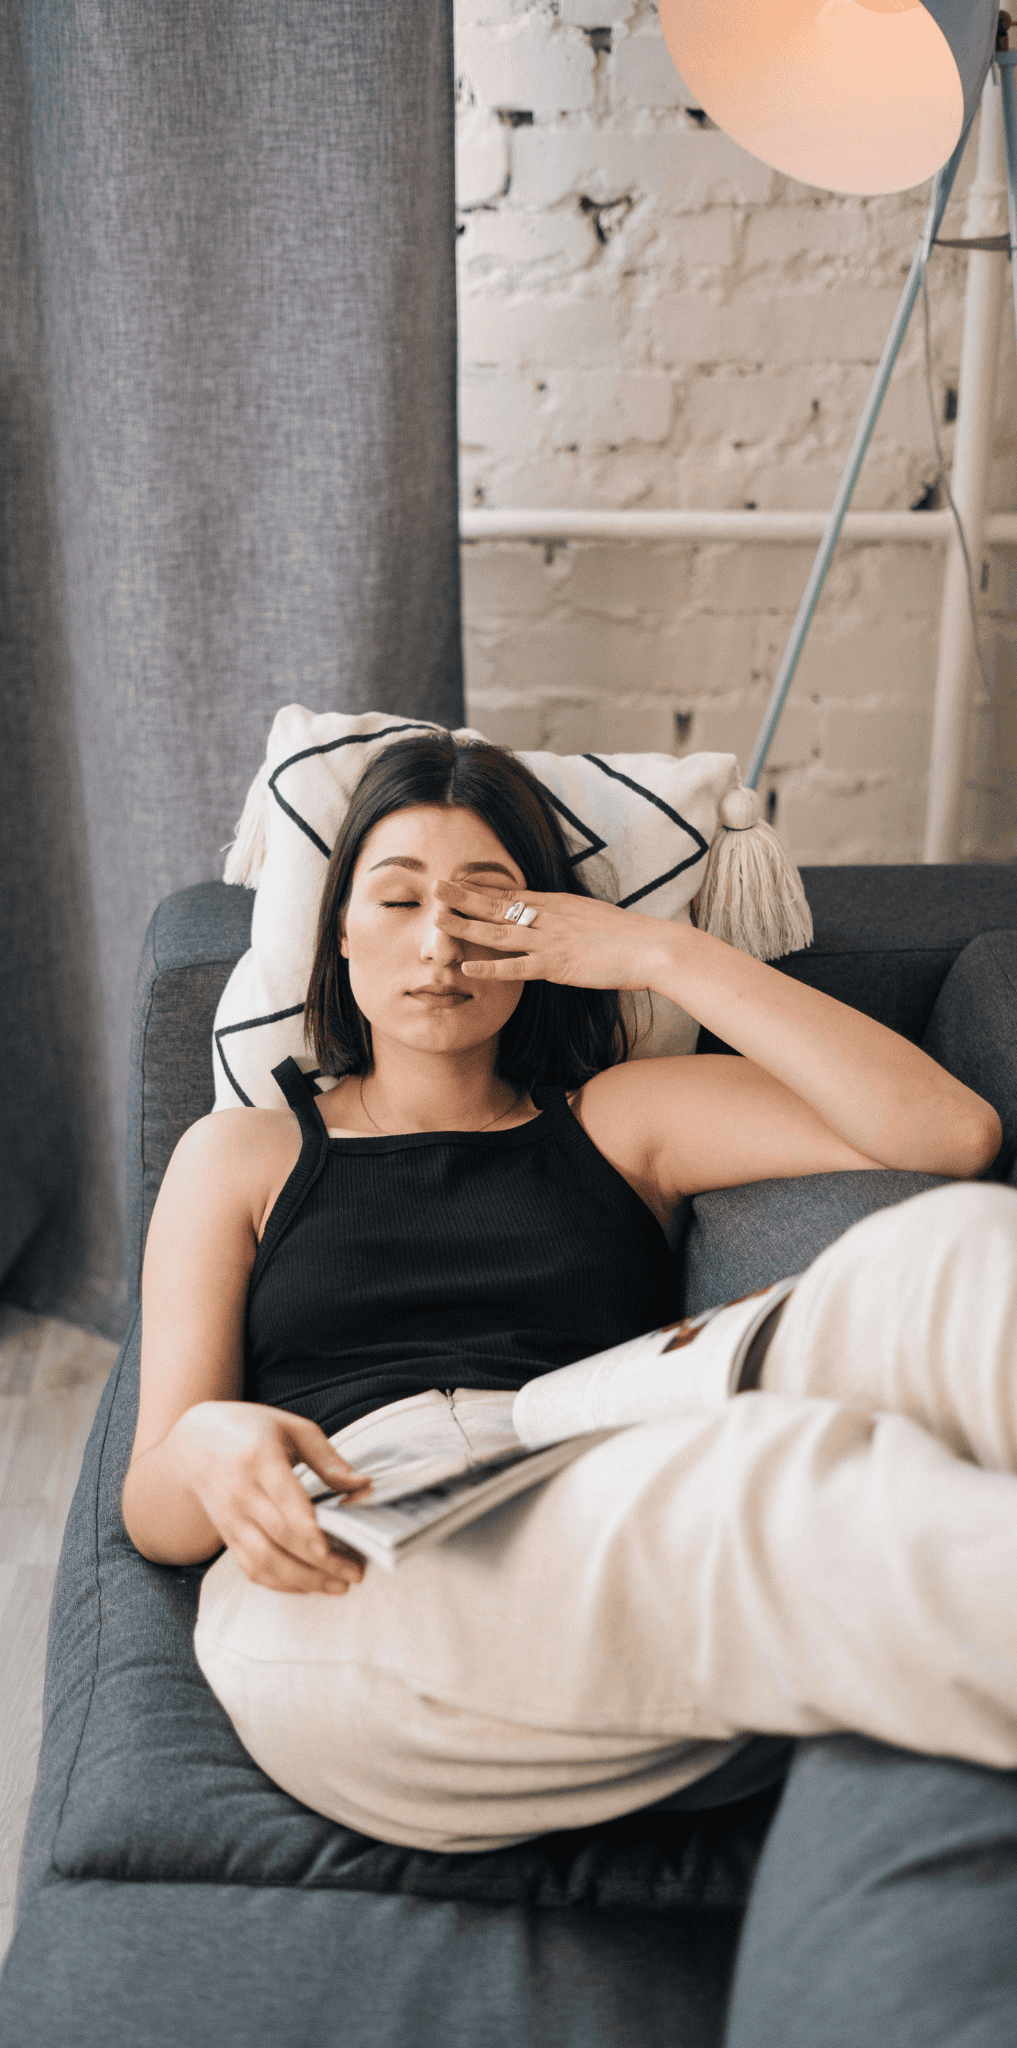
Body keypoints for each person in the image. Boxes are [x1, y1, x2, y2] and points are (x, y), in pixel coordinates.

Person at [122, 733, 1015, 1858]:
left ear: (545, 930)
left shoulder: (618, 1117)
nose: (439, 937)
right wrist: (210, 1441)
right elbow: (153, 1501)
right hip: (364, 1553)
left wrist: (656, 955)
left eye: (485, 903)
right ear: (338, 932)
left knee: (956, 1253)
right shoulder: (242, 1153)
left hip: (597, 1440)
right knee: (779, 1484)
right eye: (395, 899)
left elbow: (948, 1133)